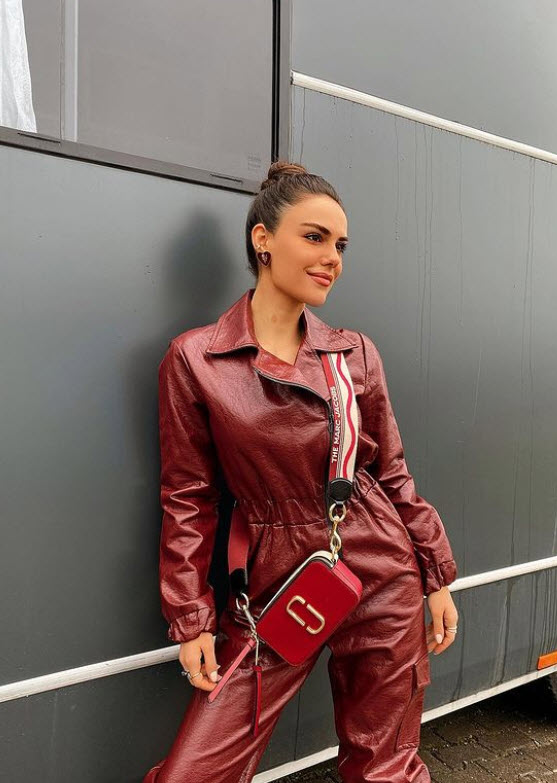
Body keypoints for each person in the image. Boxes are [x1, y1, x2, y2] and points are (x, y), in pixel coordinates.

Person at [143, 160, 459, 783]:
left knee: (384, 766)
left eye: (340, 245)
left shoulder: (353, 353)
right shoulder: (196, 359)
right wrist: (192, 617)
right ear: (262, 239)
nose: (331, 258)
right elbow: (188, 497)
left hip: (379, 562)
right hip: (271, 576)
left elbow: (392, 474)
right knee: (194, 773)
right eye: (314, 237)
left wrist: (437, 575)